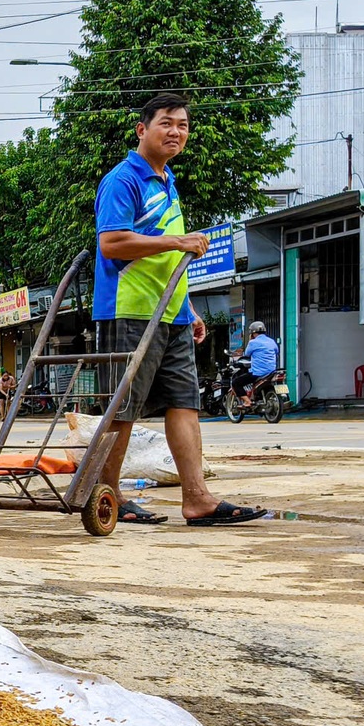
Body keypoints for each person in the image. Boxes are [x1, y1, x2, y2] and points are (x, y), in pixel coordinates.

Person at [95, 93, 267, 527]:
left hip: (170, 313)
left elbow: (169, 260)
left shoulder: (167, 181)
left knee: (184, 404)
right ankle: (107, 495)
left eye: (183, 126)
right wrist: (178, 241)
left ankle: (197, 499)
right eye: (166, 123)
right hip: (129, 311)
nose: (176, 132)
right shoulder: (124, 180)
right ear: (142, 129)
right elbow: (111, 243)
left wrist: (187, 307)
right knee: (124, 408)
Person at [239, 321, 280, 399]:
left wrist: (250, 340)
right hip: (271, 372)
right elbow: (276, 352)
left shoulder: (253, 342)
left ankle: (247, 401)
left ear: (252, 333)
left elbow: (247, 354)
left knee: (236, 382)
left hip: (258, 373)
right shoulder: (271, 341)